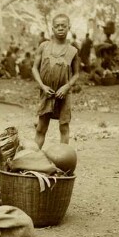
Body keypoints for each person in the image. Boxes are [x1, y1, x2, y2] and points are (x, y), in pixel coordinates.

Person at [32, 14, 80, 146]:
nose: (60, 28)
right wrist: (42, 86)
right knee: (41, 128)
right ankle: (34, 157)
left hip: (63, 94)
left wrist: (66, 87)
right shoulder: (44, 46)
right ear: (52, 28)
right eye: (57, 26)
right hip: (46, 93)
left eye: (63, 26)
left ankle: (63, 158)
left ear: (68, 27)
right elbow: (34, 68)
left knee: (64, 127)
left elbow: (76, 74)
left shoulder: (73, 51)